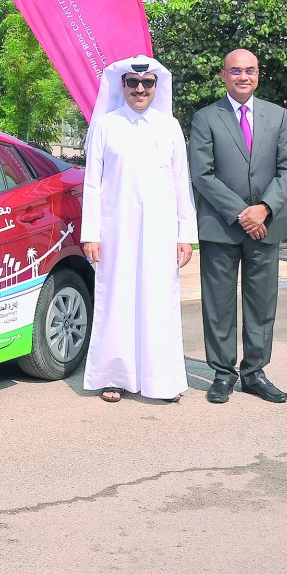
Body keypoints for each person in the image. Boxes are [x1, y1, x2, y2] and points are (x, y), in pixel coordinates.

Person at [80, 55, 197, 403]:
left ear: (156, 87)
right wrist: (91, 234)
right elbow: (91, 185)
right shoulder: (105, 126)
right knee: (117, 301)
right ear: (123, 86)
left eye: (147, 83)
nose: (140, 89)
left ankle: (162, 381)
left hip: (161, 234)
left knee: (158, 302)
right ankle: (114, 377)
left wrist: (185, 234)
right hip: (115, 231)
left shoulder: (170, 127)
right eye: (133, 83)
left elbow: (181, 184)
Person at [188, 48, 287, 404]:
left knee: (262, 303)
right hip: (221, 227)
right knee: (218, 304)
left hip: (266, 225)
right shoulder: (206, 118)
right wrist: (241, 212)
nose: (243, 77)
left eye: (249, 70)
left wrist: (264, 208)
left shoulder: (277, 116)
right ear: (224, 75)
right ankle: (222, 374)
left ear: (258, 74)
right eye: (235, 71)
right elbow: (202, 174)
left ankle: (254, 373)